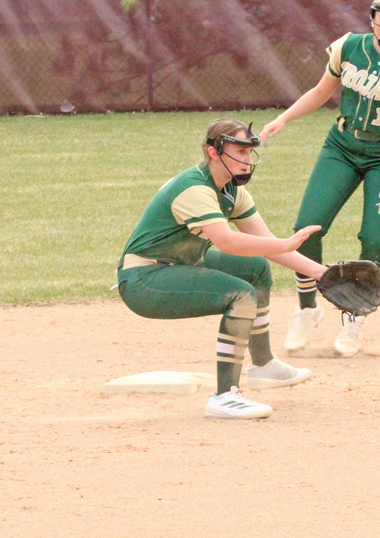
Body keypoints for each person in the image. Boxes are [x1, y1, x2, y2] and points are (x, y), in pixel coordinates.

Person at [260, 0, 380, 357]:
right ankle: (308, 309)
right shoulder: (348, 47)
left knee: (374, 240)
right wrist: (284, 119)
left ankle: (356, 316)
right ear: (372, 18)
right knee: (307, 227)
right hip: (341, 146)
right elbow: (322, 91)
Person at [117, 119, 331, 419]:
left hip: (178, 264)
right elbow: (227, 242)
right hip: (144, 280)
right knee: (240, 294)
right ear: (214, 152)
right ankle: (225, 396)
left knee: (255, 269)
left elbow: (266, 244)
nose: (247, 161)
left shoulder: (231, 191)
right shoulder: (194, 188)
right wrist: (283, 244)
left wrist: (324, 275)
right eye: (239, 152)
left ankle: (264, 366)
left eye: (249, 153)